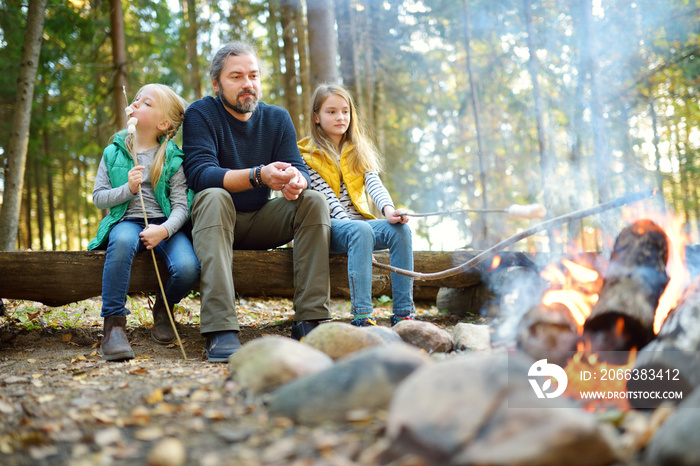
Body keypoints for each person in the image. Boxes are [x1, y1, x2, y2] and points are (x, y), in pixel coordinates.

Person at [182, 41, 332, 362]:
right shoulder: (200, 113)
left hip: (261, 220)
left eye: (253, 75)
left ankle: (310, 321)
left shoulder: (277, 119)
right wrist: (258, 175)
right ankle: (220, 328)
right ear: (216, 83)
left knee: (314, 201)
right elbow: (200, 174)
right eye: (236, 76)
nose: (248, 84)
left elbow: (299, 168)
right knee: (213, 195)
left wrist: (296, 182)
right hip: (215, 223)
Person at [88, 83, 200, 362]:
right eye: (136, 99)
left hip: (164, 224)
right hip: (126, 220)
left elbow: (181, 207)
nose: (136, 104)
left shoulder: (173, 157)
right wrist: (128, 189)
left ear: (163, 123)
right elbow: (99, 198)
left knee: (187, 267)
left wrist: (164, 230)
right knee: (123, 240)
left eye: (146, 103)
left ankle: (164, 306)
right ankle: (113, 325)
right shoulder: (113, 151)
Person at [298, 83, 415, 327]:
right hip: (328, 227)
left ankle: (404, 313)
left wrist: (390, 212)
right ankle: (362, 315)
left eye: (345, 111)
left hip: (358, 227)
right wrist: (362, 238)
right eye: (331, 112)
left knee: (400, 229)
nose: (340, 117)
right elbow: (327, 199)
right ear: (316, 117)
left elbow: (374, 185)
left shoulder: (358, 149)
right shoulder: (306, 154)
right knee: (361, 230)